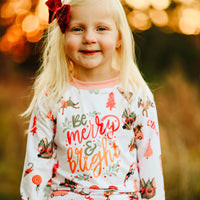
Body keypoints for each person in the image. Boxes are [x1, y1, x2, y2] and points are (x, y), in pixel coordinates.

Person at [20, 0, 165, 199]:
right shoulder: (51, 96)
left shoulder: (136, 95)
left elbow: (150, 166)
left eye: (101, 28)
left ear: (119, 38)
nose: (89, 37)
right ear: (63, 36)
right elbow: (37, 166)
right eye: (77, 28)